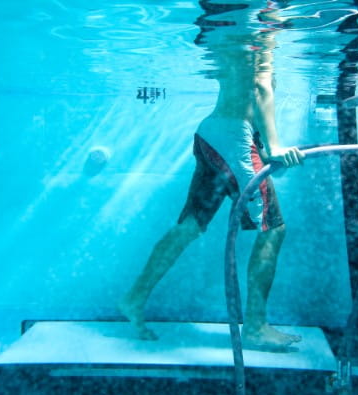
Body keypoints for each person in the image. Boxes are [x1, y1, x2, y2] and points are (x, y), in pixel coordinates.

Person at [119, 1, 303, 351]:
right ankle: (255, 326)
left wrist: (264, 148)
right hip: (233, 138)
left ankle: (134, 297)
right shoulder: (265, 18)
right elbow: (260, 87)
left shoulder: (233, 26)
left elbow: (244, 89)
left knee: (189, 226)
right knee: (273, 229)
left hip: (212, 132)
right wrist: (275, 146)